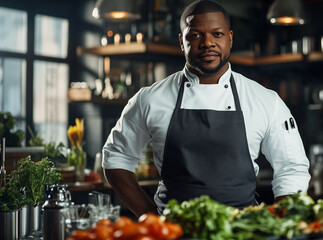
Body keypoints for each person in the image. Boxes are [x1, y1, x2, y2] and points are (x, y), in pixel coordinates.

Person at [102, 0, 311, 216]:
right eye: (196, 35)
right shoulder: (150, 99)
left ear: (230, 39)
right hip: (174, 231)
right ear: (182, 41)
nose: (207, 43)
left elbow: (291, 167)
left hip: (241, 231)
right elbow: (117, 158)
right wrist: (149, 218)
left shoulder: (266, 100)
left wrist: (281, 221)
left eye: (217, 34)